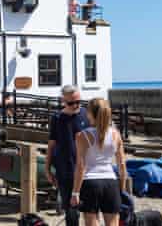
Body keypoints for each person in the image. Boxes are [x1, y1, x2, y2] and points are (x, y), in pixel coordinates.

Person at [71, 98, 127, 226]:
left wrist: (75, 192)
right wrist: (122, 189)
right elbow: (122, 165)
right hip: (110, 181)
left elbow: (80, 166)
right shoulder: (116, 134)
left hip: (90, 182)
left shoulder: (82, 136)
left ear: (90, 114)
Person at [46, 85, 89, 226]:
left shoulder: (87, 115)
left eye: (78, 102)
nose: (76, 105)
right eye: (71, 103)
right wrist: (47, 169)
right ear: (63, 101)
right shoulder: (57, 118)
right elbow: (51, 144)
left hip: (87, 170)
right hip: (65, 170)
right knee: (71, 211)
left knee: (90, 210)